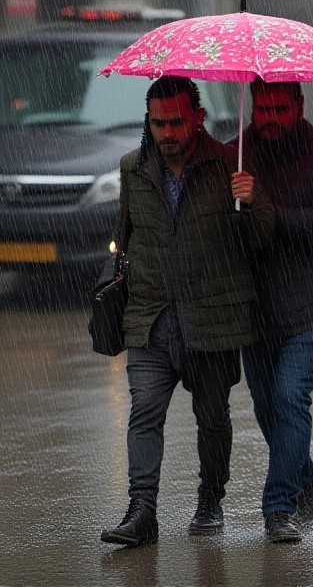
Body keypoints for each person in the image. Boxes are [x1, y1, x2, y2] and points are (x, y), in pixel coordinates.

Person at [101, 76, 274, 547]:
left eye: (177, 122)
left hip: (212, 320)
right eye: (158, 123)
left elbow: (261, 239)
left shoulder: (229, 164)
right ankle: (142, 511)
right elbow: (122, 240)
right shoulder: (133, 168)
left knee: (213, 418)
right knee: (144, 412)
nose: (168, 133)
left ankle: (211, 498)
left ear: (198, 117)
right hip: (150, 319)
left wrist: (250, 201)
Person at [240, 79, 313, 543]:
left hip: (309, 304)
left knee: (289, 398)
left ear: (300, 106)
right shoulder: (237, 154)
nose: (269, 119)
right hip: (252, 306)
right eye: (262, 109)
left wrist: (267, 209)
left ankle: (279, 507)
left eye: (279, 109)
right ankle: (309, 476)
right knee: (268, 409)